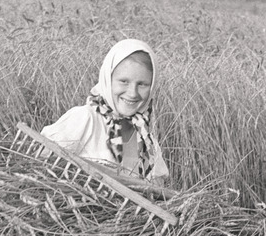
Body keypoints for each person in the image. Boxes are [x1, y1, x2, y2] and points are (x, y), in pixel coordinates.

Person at [41, 39, 171, 195]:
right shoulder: (85, 119)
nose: (132, 93)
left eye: (142, 84)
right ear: (107, 79)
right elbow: (41, 164)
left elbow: (158, 195)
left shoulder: (147, 140)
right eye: (124, 81)